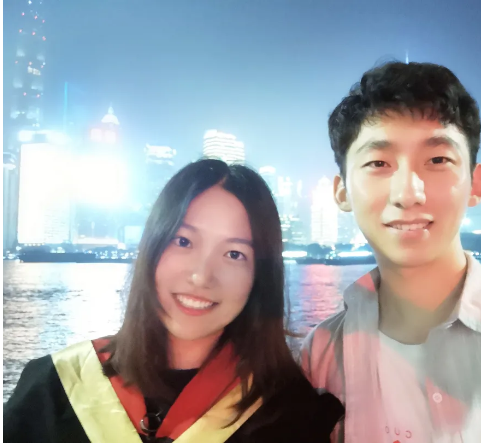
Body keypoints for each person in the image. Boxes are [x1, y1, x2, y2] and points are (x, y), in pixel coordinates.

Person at [300, 61, 481, 442]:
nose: (408, 193)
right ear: (342, 193)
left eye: (438, 160)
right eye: (378, 163)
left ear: (476, 184)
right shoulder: (321, 357)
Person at [5, 158, 344, 443]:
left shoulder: (290, 417)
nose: (201, 276)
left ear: (259, 277)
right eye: (183, 241)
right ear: (152, 245)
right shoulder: (53, 389)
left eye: (234, 254)